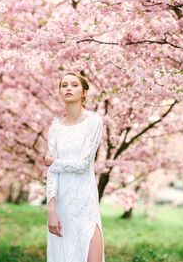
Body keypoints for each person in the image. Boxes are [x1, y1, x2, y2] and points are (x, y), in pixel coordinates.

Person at [45, 71, 105, 262]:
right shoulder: (55, 129)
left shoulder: (93, 122)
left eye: (74, 84)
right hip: (62, 203)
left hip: (85, 202)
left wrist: (54, 162)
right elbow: (52, 173)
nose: (68, 88)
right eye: (64, 85)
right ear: (60, 92)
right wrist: (51, 209)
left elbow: (83, 164)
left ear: (84, 92)